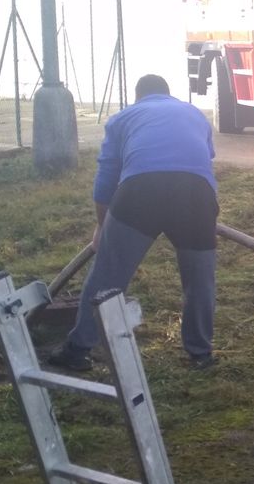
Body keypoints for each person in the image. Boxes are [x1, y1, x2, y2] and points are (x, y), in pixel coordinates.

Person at [48, 73, 219, 372]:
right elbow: (202, 160)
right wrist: (204, 215)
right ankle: (200, 353)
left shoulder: (123, 118)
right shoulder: (194, 114)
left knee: (107, 275)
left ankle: (77, 350)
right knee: (200, 279)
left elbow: (105, 180)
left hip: (141, 192)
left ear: (138, 97)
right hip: (197, 196)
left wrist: (103, 227)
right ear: (169, 94)